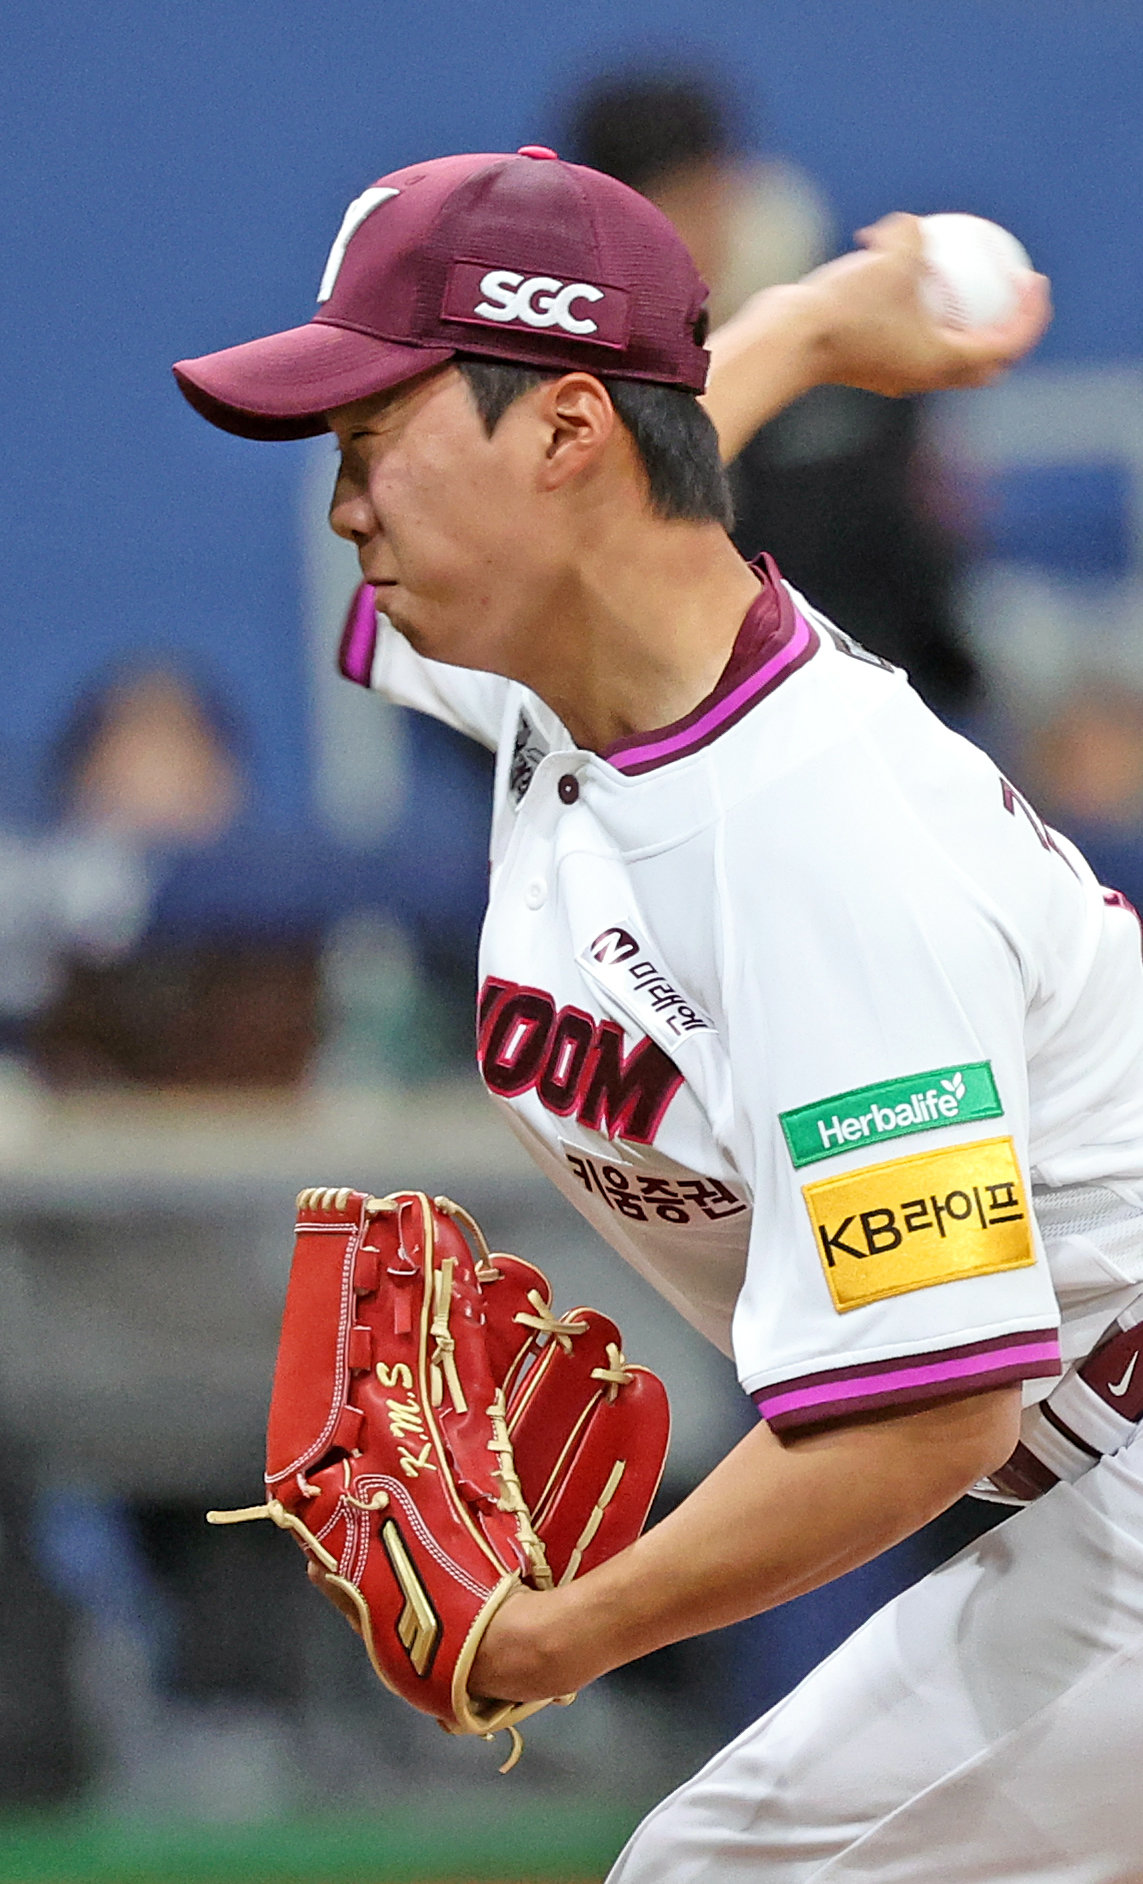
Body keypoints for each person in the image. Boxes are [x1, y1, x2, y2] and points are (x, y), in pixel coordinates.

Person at [166, 149, 1143, 1882]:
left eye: (371, 438)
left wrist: (554, 1633)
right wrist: (808, 326)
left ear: (558, 437)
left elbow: (929, 1414)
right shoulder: (565, 655)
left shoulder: (818, 846)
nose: (344, 509)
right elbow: (643, 463)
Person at [565, 70, 979, 720]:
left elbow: (920, 555)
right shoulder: (570, 398)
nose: (703, 230)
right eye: (672, 205)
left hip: (871, 705)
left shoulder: (848, 357)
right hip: (667, 737)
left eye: (711, 198)